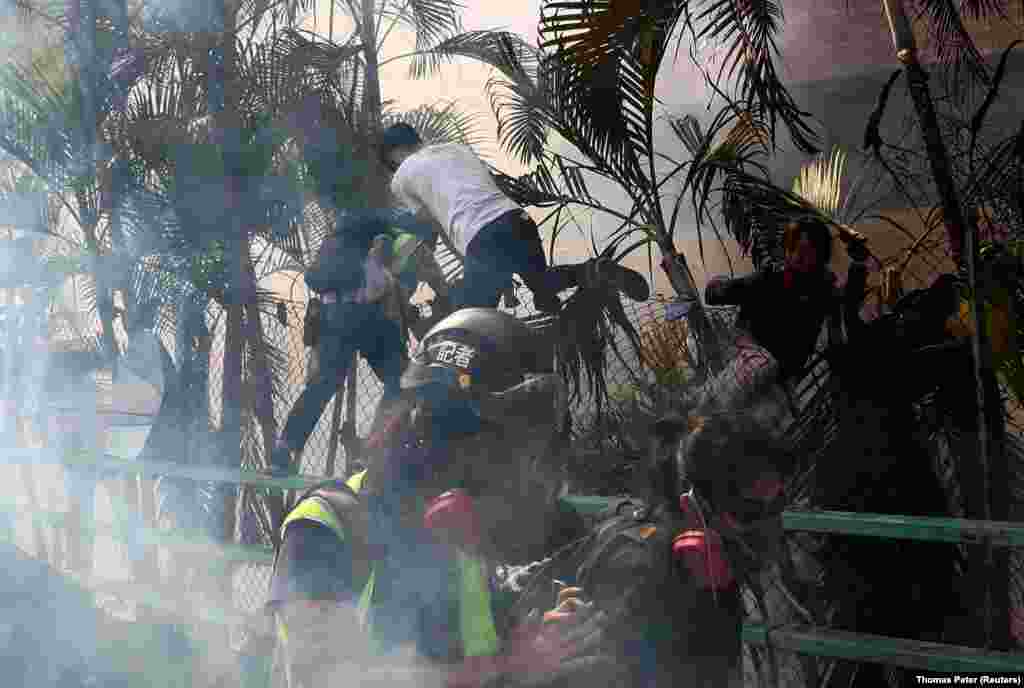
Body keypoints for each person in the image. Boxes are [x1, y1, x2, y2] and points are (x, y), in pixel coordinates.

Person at [265, 308, 598, 688]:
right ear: (441, 433)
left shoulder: (469, 534)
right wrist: (514, 664)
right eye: (509, 444)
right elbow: (318, 677)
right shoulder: (326, 526)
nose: (518, 469)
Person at [379, 123, 650, 314]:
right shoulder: (457, 149)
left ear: (396, 154)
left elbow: (433, 221)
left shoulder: (402, 177)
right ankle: (596, 270)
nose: (394, 170)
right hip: (516, 218)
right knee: (541, 282)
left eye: (392, 164)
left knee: (473, 314)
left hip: (481, 236)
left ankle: (493, 380)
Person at [270, 217, 411, 475]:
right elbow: (377, 285)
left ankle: (283, 451)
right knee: (402, 381)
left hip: (331, 315)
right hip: (365, 315)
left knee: (320, 387)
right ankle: (372, 452)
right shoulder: (383, 229)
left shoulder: (332, 242)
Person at [698, 218, 870, 417]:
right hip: (752, 360)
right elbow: (715, 294)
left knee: (758, 428)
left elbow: (848, 304)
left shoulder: (824, 288)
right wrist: (719, 285)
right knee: (750, 378)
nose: (796, 256)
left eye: (805, 251)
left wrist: (858, 261)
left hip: (782, 380)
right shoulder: (771, 277)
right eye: (792, 248)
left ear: (820, 254)